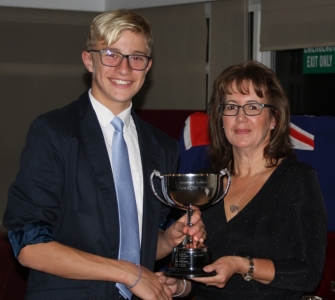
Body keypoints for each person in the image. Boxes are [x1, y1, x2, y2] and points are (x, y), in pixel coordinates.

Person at [2, 9, 205, 300]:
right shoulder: (55, 132)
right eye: (111, 54)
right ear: (89, 60)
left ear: (148, 68)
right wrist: (128, 273)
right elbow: (30, 246)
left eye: (136, 57)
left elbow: (141, 245)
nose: (124, 69)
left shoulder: (162, 147)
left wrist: (168, 238)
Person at [160, 60, 327, 299]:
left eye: (252, 107)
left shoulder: (297, 179)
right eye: (231, 107)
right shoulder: (206, 183)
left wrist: (242, 265)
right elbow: (200, 276)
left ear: (274, 119)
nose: (240, 117)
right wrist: (179, 286)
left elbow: (309, 274)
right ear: (221, 118)